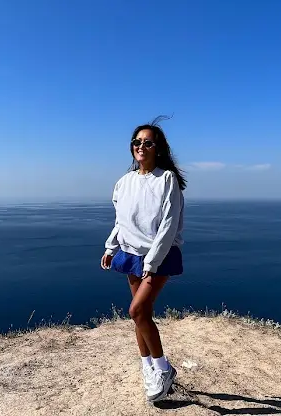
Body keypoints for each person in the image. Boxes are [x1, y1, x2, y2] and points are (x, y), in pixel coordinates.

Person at [100, 116, 186, 403]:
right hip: (130, 254)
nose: (141, 146)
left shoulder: (167, 179)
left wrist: (151, 263)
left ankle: (163, 368)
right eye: (137, 142)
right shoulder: (124, 182)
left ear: (158, 148)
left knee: (136, 311)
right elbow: (122, 221)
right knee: (143, 315)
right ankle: (147, 366)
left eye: (148, 143)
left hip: (158, 256)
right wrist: (111, 247)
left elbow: (169, 225)